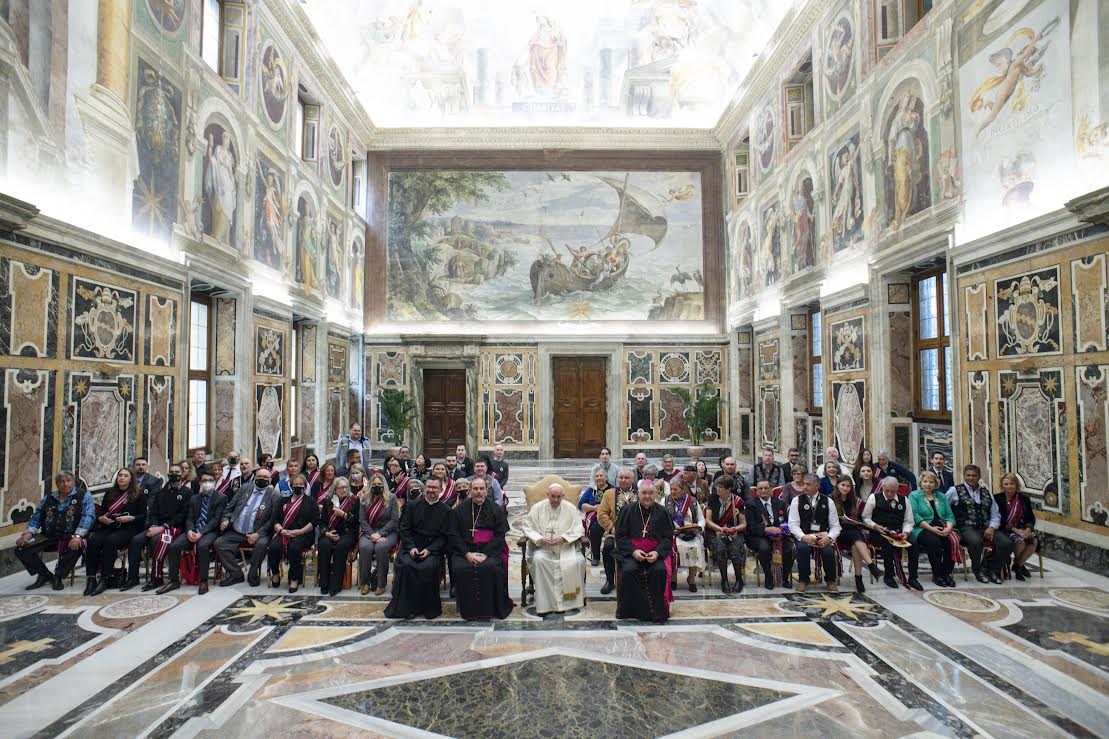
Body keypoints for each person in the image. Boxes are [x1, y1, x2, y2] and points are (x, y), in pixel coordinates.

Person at [385, 477, 451, 619]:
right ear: (425, 488)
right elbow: (404, 528)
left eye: (434, 487)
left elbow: (445, 537)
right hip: (411, 547)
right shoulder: (412, 506)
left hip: (433, 550)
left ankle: (426, 608)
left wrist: (430, 550)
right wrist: (411, 547)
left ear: (440, 490)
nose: (431, 490)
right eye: (429, 487)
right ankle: (408, 608)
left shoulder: (446, 510)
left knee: (427, 567)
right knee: (406, 566)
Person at [16, 471, 95, 590]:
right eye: (61, 481)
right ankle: (44, 574)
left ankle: (58, 576)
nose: (65, 484)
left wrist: (78, 535)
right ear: (57, 484)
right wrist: (29, 532)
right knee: (21, 548)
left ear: (73, 482)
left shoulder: (84, 496)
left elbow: (88, 517)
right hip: (48, 535)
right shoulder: (49, 497)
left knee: (76, 546)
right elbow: (37, 515)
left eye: (68, 481)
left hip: (71, 535)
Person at [448, 477, 512, 620]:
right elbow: (453, 535)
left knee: (491, 567)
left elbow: (500, 535)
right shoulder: (459, 510)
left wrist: (486, 554)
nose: (478, 492)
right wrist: (467, 554)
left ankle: (490, 609)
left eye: (481, 489)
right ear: (470, 491)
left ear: (486, 491)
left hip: (490, 550)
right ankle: (468, 610)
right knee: (461, 568)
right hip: (465, 550)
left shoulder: (496, 509)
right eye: (475, 489)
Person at [521, 483, 587, 615]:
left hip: (565, 548)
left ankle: (570, 602)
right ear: (548, 495)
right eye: (553, 496)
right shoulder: (537, 508)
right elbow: (528, 527)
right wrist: (540, 539)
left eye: (558, 497)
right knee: (539, 560)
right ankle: (545, 604)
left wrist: (564, 538)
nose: (555, 500)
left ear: (563, 496)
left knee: (578, 561)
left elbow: (578, 528)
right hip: (543, 549)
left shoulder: (570, 508)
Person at [159, 468, 227, 595]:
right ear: (200, 483)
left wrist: (201, 533)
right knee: (174, 546)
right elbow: (189, 518)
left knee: (202, 546)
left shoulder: (221, 498)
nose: (207, 483)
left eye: (210, 480)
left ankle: (203, 580)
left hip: (210, 531)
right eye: (204, 481)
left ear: (214, 482)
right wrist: (190, 530)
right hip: (193, 530)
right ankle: (174, 580)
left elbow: (216, 520)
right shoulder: (194, 498)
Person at [615, 479, 674, 622]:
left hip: (655, 553)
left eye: (651, 493)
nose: (647, 496)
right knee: (629, 571)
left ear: (656, 494)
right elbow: (620, 536)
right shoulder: (627, 510)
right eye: (644, 493)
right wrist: (633, 551)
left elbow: (668, 538)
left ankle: (657, 612)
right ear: (638, 494)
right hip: (632, 553)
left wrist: (657, 552)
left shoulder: (663, 511)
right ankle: (633, 611)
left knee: (659, 570)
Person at [84, 468, 147, 595]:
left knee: (110, 541)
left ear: (131, 479)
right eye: (120, 475)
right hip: (110, 526)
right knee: (93, 539)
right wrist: (101, 518)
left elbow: (143, 516)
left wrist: (131, 518)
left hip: (128, 528)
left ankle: (105, 578)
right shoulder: (110, 493)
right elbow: (102, 512)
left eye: (125, 476)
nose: (122, 478)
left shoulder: (139, 494)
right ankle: (91, 578)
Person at [131, 461, 191, 592]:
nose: (174, 475)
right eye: (172, 472)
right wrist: (154, 525)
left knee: (157, 539)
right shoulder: (161, 492)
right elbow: (154, 512)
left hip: (175, 527)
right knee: (136, 540)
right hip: (156, 526)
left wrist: (163, 527)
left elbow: (182, 516)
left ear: (182, 474)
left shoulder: (187, 492)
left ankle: (156, 577)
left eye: (177, 472)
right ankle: (132, 577)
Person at [946, 465, 1012, 584]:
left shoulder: (986, 492)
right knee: (976, 541)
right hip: (965, 527)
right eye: (968, 475)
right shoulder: (954, 491)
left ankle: (992, 569)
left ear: (979, 476)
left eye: (974, 475)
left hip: (986, 527)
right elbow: (944, 508)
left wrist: (992, 527)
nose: (971, 478)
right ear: (964, 476)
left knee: (1007, 543)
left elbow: (995, 514)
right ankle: (977, 570)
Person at [215, 466, 276, 587]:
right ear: (255, 478)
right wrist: (225, 519)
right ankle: (236, 574)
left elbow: (272, 520)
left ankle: (253, 573)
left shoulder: (274, 495)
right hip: (237, 530)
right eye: (259, 476)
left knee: (261, 545)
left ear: (270, 480)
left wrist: (258, 534)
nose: (262, 479)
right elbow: (230, 507)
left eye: (265, 477)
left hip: (258, 532)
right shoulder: (245, 488)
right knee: (219, 543)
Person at [788, 474, 840, 593]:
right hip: (804, 535)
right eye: (804, 484)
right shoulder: (797, 500)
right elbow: (793, 524)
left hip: (823, 536)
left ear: (817, 486)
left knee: (828, 551)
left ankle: (831, 580)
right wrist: (802, 536)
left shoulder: (828, 501)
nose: (804, 487)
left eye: (808, 484)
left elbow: (835, 526)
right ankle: (803, 579)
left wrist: (830, 537)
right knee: (803, 548)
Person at [863, 477, 918, 589]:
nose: (890, 494)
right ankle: (889, 576)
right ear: (883, 487)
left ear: (897, 489)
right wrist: (875, 526)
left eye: (893, 491)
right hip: (879, 532)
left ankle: (913, 577)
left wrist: (906, 532)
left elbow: (909, 520)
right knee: (887, 544)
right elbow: (865, 518)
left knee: (914, 545)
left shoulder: (904, 499)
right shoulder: (874, 497)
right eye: (887, 491)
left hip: (899, 532)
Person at [266, 474, 318, 593]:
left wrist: (300, 531)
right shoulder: (283, 500)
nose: (298, 486)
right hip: (284, 532)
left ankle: (294, 578)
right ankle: (275, 573)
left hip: (304, 534)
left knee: (294, 548)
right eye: (295, 484)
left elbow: (315, 521)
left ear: (305, 487)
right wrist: (282, 531)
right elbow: (274, 520)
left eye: (301, 484)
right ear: (291, 486)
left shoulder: (310, 501)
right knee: (274, 547)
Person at [908, 471, 958, 588]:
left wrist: (948, 528)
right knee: (934, 542)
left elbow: (949, 515)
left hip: (941, 526)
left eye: (931, 482)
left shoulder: (941, 496)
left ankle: (946, 574)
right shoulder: (914, 495)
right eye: (925, 481)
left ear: (936, 484)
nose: (928, 484)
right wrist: (932, 529)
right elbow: (915, 516)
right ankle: (937, 575)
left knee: (951, 542)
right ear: (920, 483)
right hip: (922, 527)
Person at [831, 476, 879, 593]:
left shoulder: (855, 500)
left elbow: (861, 518)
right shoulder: (830, 498)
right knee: (855, 536)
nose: (845, 488)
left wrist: (853, 520)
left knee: (855, 544)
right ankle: (870, 566)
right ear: (837, 485)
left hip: (852, 529)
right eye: (843, 485)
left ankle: (859, 577)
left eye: (848, 486)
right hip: (837, 532)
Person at [745, 479, 792, 591]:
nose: (763, 490)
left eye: (766, 488)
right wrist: (766, 529)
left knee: (790, 548)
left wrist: (781, 532)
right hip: (759, 536)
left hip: (779, 535)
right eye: (760, 488)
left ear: (771, 490)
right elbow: (751, 526)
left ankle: (784, 578)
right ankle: (769, 577)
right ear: (757, 491)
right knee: (764, 548)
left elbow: (785, 521)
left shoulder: (780, 503)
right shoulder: (751, 504)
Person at [597, 468, 638, 594]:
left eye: (627, 478)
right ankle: (610, 581)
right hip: (614, 532)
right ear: (617, 479)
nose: (623, 480)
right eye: (621, 477)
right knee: (608, 547)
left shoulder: (640, 493)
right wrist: (612, 528)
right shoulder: (609, 493)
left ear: (632, 480)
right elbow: (601, 513)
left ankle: (637, 580)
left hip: (637, 533)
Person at [317, 476, 360, 595]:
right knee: (324, 545)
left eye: (346, 487)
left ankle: (336, 585)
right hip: (330, 532)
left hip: (348, 533)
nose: (344, 490)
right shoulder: (328, 501)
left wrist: (344, 515)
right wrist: (326, 533)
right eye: (341, 488)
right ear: (335, 489)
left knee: (340, 547)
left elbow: (357, 521)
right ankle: (324, 583)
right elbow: (322, 522)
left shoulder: (354, 500)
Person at [358, 472, 400, 595]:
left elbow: (394, 520)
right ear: (370, 485)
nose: (377, 486)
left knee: (381, 547)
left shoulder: (391, 498)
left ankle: (381, 583)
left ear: (384, 485)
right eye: (374, 484)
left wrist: (380, 533)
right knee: (365, 547)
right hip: (369, 531)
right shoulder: (365, 498)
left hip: (388, 532)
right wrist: (372, 534)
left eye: (379, 484)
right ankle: (365, 583)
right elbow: (362, 520)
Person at [707, 475, 748, 592]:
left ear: (729, 489)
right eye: (717, 486)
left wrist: (735, 529)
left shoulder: (738, 501)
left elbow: (743, 524)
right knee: (720, 548)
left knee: (735, 548)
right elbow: (708, 521)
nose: (717, 489)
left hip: (734, 533)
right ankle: (724, 580)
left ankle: (739, 579)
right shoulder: (713, 498)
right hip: (716, 532)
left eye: (721, 487)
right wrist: (720, 529)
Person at [665, 478, 706, 592]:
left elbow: (701, 519)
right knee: (674, 547)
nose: (672, 492)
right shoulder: (665, 500)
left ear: (683, 490)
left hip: (691, 534)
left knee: (695, 547)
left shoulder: (692, 501)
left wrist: (698, 527)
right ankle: (673, 578)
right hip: (673, 534)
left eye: (675, 489)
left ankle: (691, 578)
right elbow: (660, 519)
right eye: (671, 489)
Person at [996, 472, 1037, 580]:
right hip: (1004, 529)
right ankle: (1020, 566)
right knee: (1020, 542)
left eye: (1012, 484)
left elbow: (1031, 517)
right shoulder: (997, 498)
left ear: (1016, 485)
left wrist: (1028, 529)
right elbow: (998, 518)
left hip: (1022, 528)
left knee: (1033, 541)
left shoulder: (1024, 499)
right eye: (1006, 484)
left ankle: (1017, 565)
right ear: (1002, 485)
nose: (1009, 486)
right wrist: (1015, 530)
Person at [578, 467, 611, 566]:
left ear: (606, 477)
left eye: (601, 475)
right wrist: (593, 508)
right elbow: (580, 505)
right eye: (597, 476)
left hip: (610, 519)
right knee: (595, 530)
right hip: (596, 520)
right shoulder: (591, 491)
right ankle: (596, 556)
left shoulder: (613, 489)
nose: (599, 478)